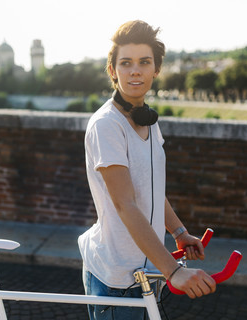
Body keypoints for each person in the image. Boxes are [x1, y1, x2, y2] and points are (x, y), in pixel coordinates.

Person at [78, 20, 216, 320]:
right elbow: (125, 204)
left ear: (156, 69)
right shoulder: (107, 125)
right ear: (113, 70)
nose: (135, 70)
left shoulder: (148, 120)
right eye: (125, 63)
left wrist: (178, 233)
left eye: (144, 62)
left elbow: (150, 189)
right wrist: (173, 270)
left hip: (148, 267)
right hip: (117, 276)